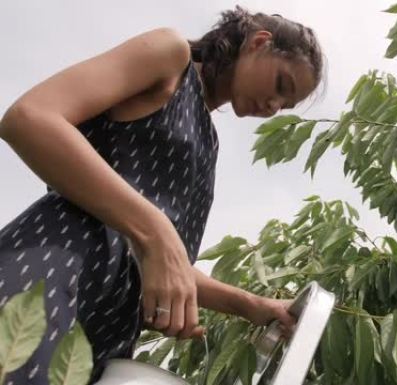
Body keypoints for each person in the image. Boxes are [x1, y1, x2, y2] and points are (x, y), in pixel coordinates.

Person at [0, 6, 323, 384]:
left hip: (103, 339)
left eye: (285, 106)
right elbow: (30, 117)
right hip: (52, 277)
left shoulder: (209, 143)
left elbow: (158, 256)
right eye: (282, 85)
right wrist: (157, 230)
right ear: (259, 42)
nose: (273, 107)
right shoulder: (171, 56)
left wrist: (252, 306)